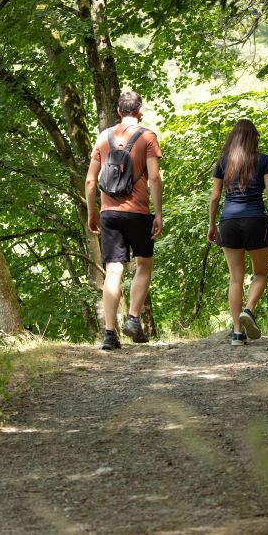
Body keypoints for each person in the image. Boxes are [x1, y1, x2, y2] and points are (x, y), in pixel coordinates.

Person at [85, 91, 164, 350]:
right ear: (139, 112)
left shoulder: (103, 137)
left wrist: (92, 212)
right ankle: (132, 317)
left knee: (114, 270)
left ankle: (109, 333)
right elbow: (154, 178)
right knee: (144, 264)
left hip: (109, 213)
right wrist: (158, 213)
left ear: (118, 111)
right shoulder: (148, 137)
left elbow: (90, 181)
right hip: (139, 212)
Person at [208, 119, 268, 346]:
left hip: (229, 221)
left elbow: (214, 197)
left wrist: (212, 225)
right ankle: (249, 310)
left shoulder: (223, 163)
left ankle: (236, 332)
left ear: (232, 138)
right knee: (260, 274)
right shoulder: (262, 160)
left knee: (235, 278)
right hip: (256, 221)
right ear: (254, 139)